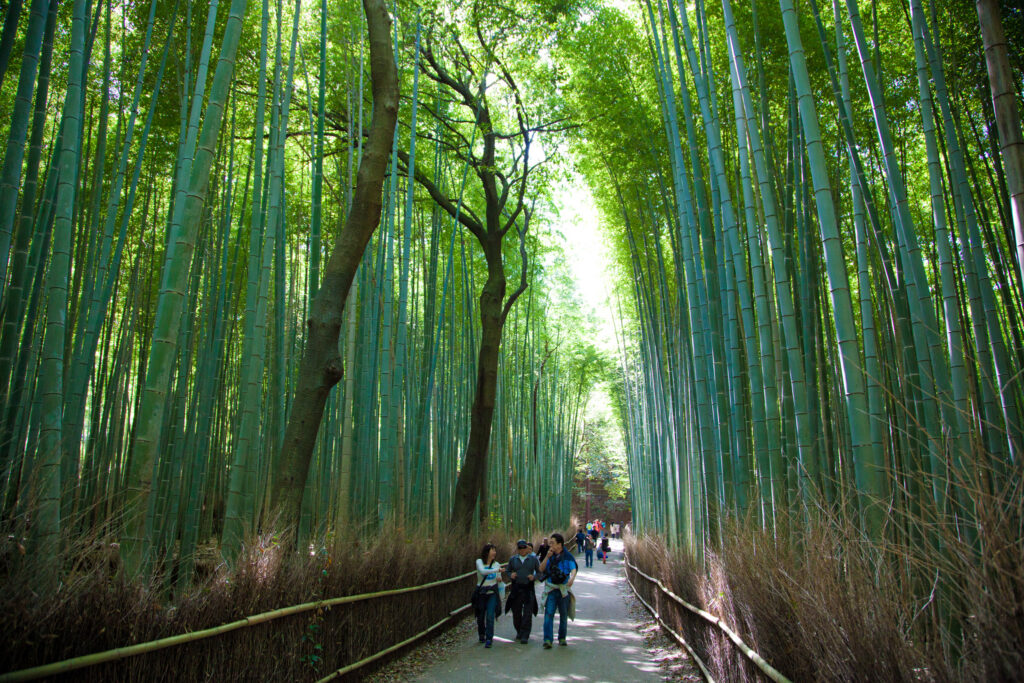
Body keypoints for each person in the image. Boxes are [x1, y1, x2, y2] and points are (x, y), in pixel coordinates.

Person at [538, 532, 578, 648]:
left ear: (559, 544)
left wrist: (572, 578)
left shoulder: (567, 556)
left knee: (563, 615)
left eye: (552, 543)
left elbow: (573, 568)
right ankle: (547, 639)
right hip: (551, 589)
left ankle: (562, 638)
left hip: (563, 589)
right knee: (549, 614)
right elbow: (541, 569)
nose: (550, 545)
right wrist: (547, 557)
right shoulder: (550, 555)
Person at [505, 539, 540, 643]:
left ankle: (525, 634)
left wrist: (534, 577)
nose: (522, 550)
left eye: (524, 547)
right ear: (517, 549)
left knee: (528, 613)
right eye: (520, 548)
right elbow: (508, 570)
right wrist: (510, 575)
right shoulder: (513, 559)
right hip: (516, 588)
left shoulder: (533, 559)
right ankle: (519, 631)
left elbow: (540, 572)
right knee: (516, 612)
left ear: (527, 548)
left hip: (528, 588)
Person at [475, 543, 503, 648]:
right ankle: (481, 634)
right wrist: (497, 570)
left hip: (492, 592)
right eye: (492, 550)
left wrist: (499, 578)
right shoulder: (479, 562)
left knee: (490, 615)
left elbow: (499, 577)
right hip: (481, 592)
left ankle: (489, 638)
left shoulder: (497, 564)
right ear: (487, 552)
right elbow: (483, 571)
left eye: (495, 551)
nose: (494, 552)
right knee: (480, 616)